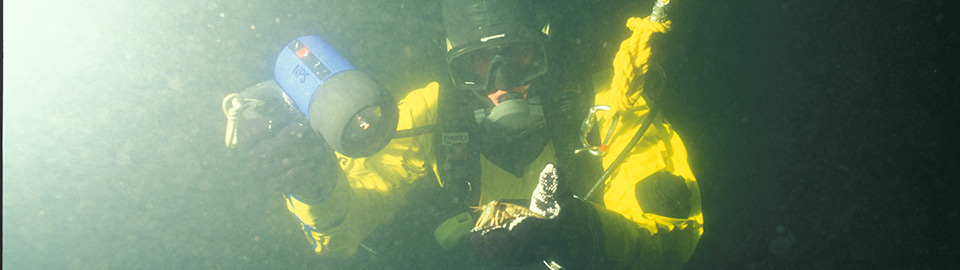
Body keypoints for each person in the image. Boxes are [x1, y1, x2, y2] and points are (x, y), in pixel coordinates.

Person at [227, 0, 703, 269]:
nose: (499, 83)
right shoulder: (430, 112)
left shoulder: (605, 109)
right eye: (476, 65)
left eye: (517, 57)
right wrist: (317, 187)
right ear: (454, 64)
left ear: (544, 49)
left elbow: (672, 240)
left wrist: (576, 231)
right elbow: (347, 225)